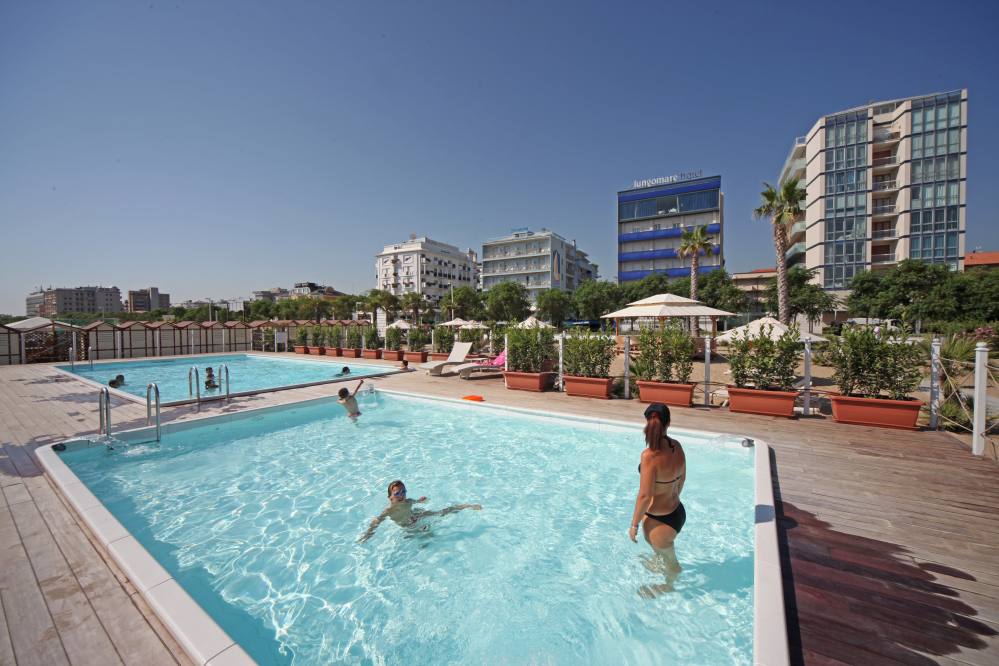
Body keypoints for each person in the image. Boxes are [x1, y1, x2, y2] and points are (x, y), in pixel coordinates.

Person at [629, 403, 686, 597]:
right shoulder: (676, 446)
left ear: (648, 424)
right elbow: (682, 480)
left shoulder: (649, 456)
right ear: (668, 423)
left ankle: (668, 586)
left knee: (673, 563)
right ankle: (659, 560)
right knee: (663, 553)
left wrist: (634, 525)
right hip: (678, 512)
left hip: (660, 521)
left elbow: (644, 497)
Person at [358, 480, 482, 543]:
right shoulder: (390, 511)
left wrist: (421, 501)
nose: (401, 495)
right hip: (406, 524)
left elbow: (418, 502)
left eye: (403, 492)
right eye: (397, 493)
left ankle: (463, 506)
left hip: (415, 516)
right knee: (424, 536)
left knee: (440, 512)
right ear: (390, 497)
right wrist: (369, 532)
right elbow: (377, 520)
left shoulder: (409, 502)